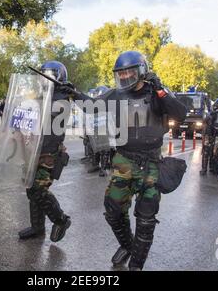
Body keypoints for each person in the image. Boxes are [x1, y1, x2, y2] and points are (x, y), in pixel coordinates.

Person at [79, 51, 186, 271]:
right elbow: (91, 106)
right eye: (121, 73)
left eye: (130, 71)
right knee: (113, 210)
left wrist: (161, 89)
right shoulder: (114, 95)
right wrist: (72, 93)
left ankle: (136, 265)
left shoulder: (157, 93)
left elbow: (181, 113)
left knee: (146, 219)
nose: (126, 76)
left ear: (142, 71)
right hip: (123, 161)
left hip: (151, 165)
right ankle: (128, 246)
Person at [18, 61, 74, 242]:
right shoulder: (42, 96)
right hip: (33, 150)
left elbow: (49, 114)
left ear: (59, 77)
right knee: (30, 188)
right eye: (42, 75)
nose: (44, 79)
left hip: (49, 154)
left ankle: (61, 220)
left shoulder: (62, 98)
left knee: (38, 190)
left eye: (48, 74)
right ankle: (37, 227)